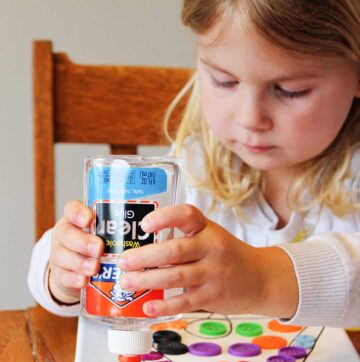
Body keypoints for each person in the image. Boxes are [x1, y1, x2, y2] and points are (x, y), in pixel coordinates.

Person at [28, 0, 360, 327]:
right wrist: (65, 274)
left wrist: (261, 278)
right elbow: (66, 259)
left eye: (290, 90)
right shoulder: (196, 166)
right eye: (225, 82)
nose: (250, 118)